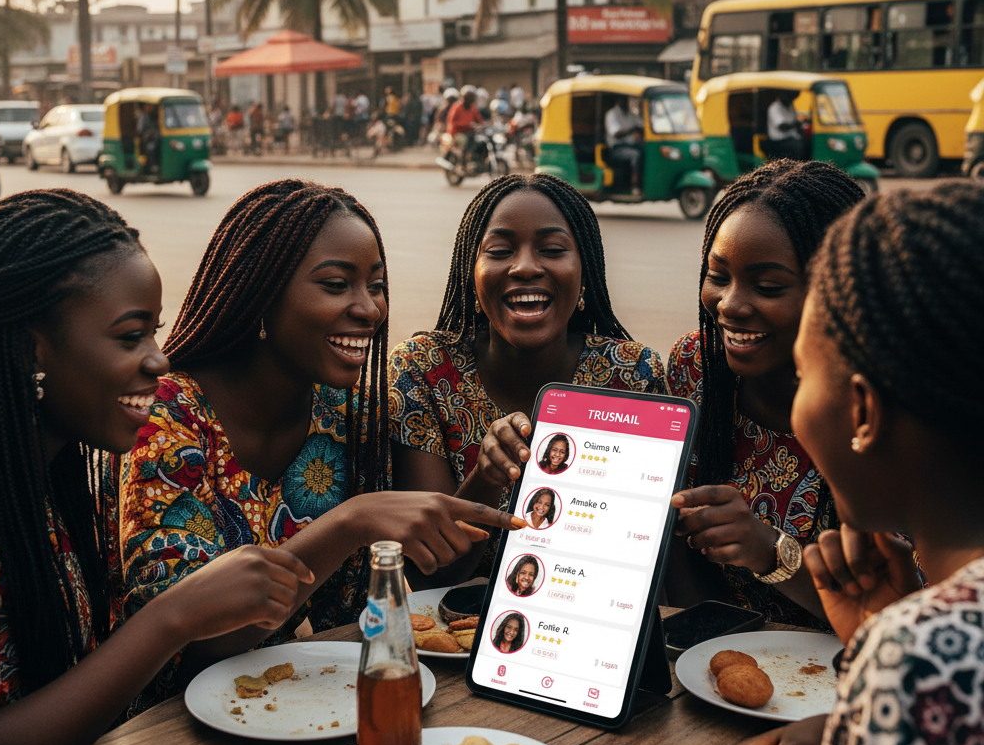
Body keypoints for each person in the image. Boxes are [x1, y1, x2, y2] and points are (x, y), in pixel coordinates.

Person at [0, 190, 311, 745]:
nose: (159, 359)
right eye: (130, 337)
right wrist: (174, 617)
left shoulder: (47, 476)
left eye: (155, 330)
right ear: (28, 350)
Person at [119, 180, 520, 702]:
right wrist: (351, 521)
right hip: (165, 734)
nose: (370, 309)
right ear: (260, 296)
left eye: (375, 285)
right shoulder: (166, 418)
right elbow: (192, 645)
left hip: (289, 704)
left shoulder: (347, 414)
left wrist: (486, 478)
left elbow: (396, 594)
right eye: (336, 284)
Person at [656, 181, 984, 745]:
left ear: (862, 410)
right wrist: (848, 724)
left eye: (807, 375)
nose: (730, 306)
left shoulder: (922, 650)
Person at [389, 173, 666, 585]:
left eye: (552, 250)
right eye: (500, 251)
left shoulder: (631, 375)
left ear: (585, 270)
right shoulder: (424, 372)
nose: (524, 267)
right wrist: (485, 477)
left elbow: (636, 561)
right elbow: (429, 573)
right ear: (472, 272)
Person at [664, 161, 867, 630]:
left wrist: (769, 551)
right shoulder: (696, 370)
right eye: (718, 276)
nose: (730, 304)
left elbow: (903, 616)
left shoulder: (885, 412)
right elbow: (676, 545)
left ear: (837, 291)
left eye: (768, 286)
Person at [604, 95, 644, 193]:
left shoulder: (631, 114)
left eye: (626, 100)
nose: (625, 102)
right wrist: (632, 130)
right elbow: (616, 134)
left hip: (631, 145)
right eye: (623, 99)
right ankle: (635, 185)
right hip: (616, 148)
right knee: (635, 155)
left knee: (647, 150)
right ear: (618, 100)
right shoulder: (612, 114)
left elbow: (641, 124)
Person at [445, 85, 484, 163]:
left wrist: (486, 124)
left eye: (472, 97)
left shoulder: (472, 107)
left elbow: (479, 120)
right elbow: (452, 122)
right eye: (469, 97)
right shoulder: (457, 107)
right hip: (458, 133)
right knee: (464, 141)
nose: (471, 99)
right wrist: (467, 124)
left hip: (470, 132)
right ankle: (462, 162)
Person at [765, 92, 805, 160]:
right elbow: (782, 126)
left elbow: (795, 120)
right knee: (798, 146)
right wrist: (795, 124)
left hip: (791, 138)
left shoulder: (790, 106)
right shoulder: (774, 107)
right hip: (778, 141)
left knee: (808, 143)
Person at [136, 103, 160, 174]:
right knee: (151, 148)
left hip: (155, 139)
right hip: (147, 140)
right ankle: (152, 166)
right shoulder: (143, 118)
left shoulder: (153, 117)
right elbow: (140, 130)